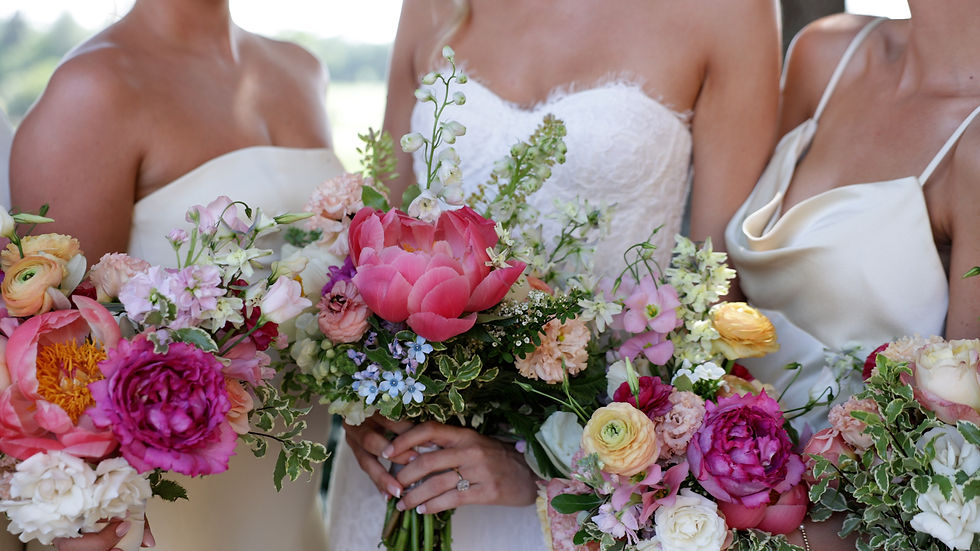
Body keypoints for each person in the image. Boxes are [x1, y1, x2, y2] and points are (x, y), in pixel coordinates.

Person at [326, 0, 782, 549]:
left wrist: (547, 469)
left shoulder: (731, 13)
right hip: (404, 468)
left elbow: (718, 296)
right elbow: (379, 231)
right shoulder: (433, 5)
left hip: (584, 493)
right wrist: (360, 394)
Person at [8, 0, 343, 549]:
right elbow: (58, 369)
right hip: (173, 513)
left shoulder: (301, 68)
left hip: (290, 496)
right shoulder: (92, 92)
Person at [725, 4, 980, 546]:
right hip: (715, 483)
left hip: (845, 527)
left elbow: (961, 443)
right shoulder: (827, 52)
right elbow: (720, 287)